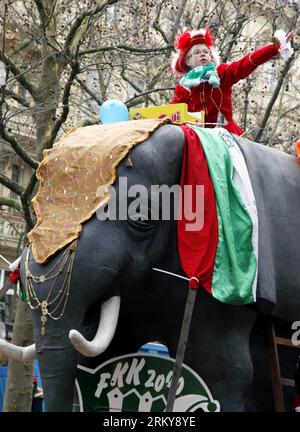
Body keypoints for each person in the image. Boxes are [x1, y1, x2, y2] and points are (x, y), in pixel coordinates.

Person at [170, 27, 294, 136]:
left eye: (206, 52)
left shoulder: (222, 73)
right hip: (196, 136)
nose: (202, 54)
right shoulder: (184, 87)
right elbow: (173, 113)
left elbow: (247, 63)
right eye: (197, 52)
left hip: (225, 135)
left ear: (211, 56)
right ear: (187, 61)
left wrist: (274, 46)